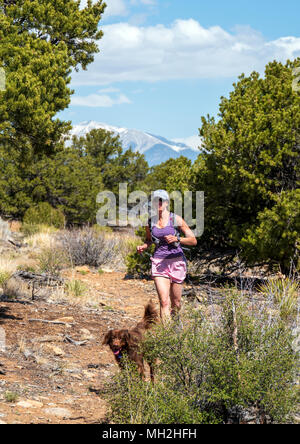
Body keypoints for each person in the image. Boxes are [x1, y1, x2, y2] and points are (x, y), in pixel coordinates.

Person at [136, 190, 197, 323]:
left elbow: (193, 240)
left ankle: (175, 328)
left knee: (176, 303)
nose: (157, 203)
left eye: (160, 200)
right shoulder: (150, 222)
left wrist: (177, 239)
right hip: (159, 263)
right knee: (164, 302)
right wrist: (144, 246)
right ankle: (167, 338)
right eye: (154, 200)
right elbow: (149, 240)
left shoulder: (176, 219)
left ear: (167, 203)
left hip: (177, 262)